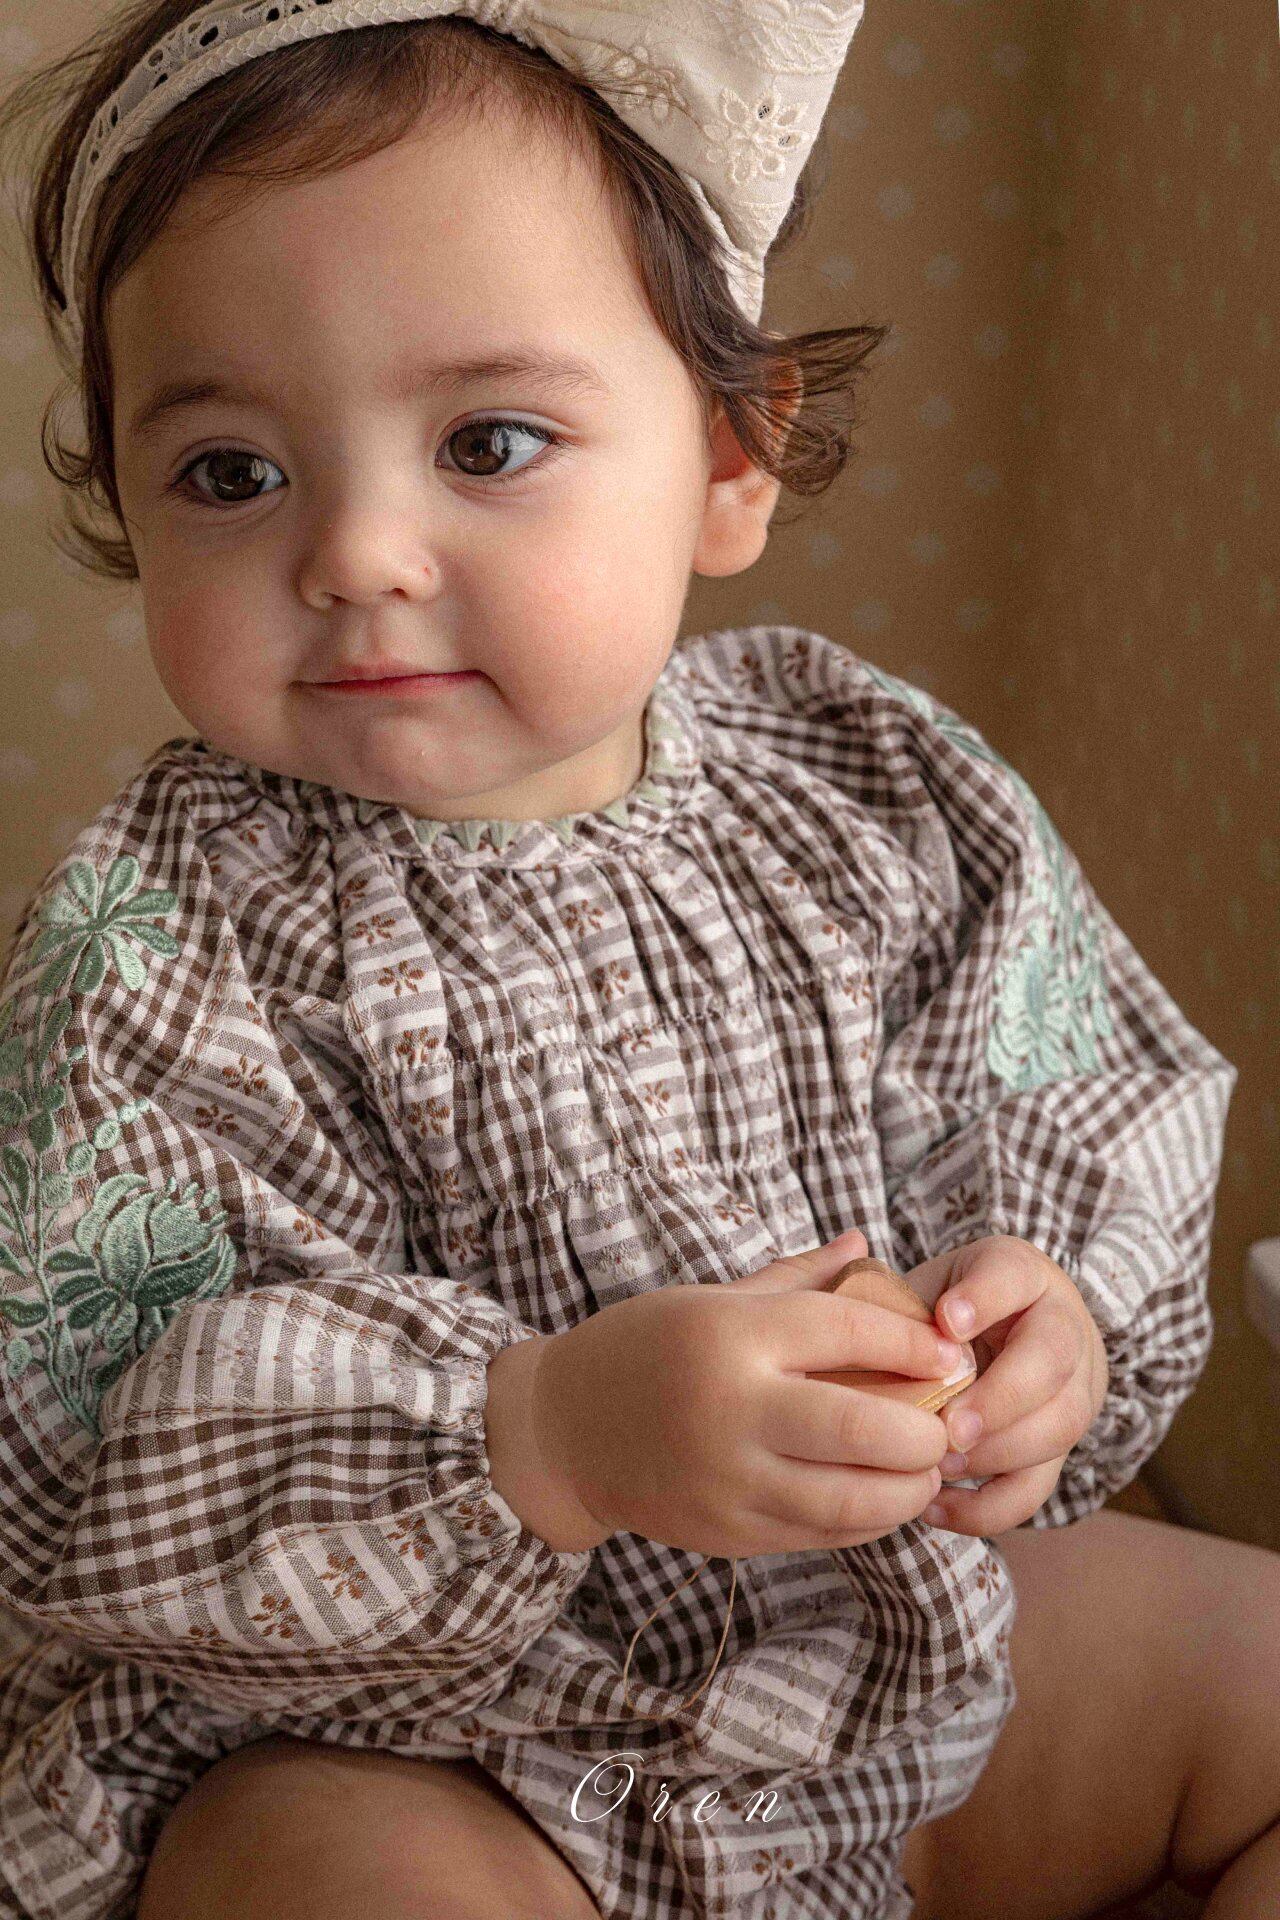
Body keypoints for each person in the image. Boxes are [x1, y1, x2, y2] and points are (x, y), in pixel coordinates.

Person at [1, 9, 1278, 1920]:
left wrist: (1049, 1327)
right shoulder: (162, 934)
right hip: (436, 1748)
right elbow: (82, 1452)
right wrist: (545, 1432)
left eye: (488, 443)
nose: (357, 552)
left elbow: (1066, 1082)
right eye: (231, 473)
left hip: (879, 1645)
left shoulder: (866, 778)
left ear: (730, 460)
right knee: (298, 1868)